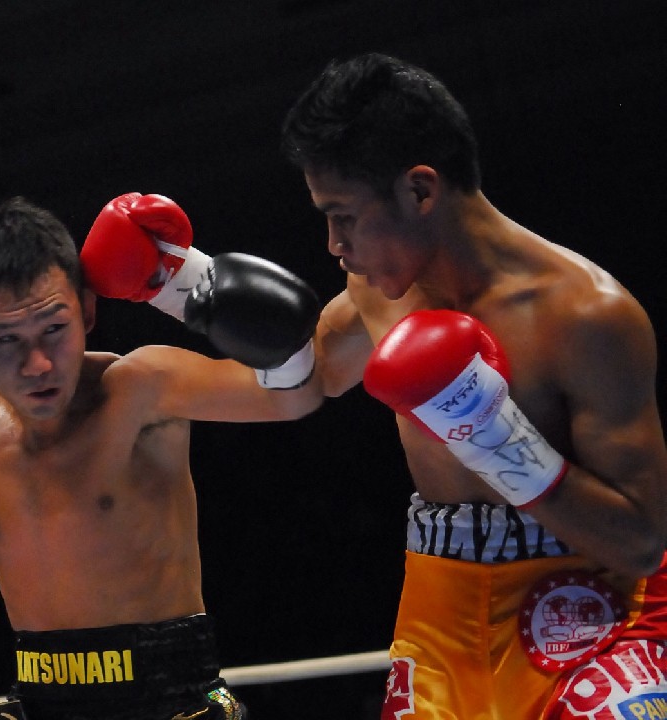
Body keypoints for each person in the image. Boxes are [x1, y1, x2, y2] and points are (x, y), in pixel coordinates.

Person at [279, 53, 667, 719]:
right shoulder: (377, 290)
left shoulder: (585, 316)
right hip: (442, 613)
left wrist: (495, 438)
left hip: (589, 609)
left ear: (419, 191)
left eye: (343, 215)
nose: (333, 243)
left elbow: (641, 541)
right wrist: (187, 288)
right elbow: (302, 382)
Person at [0, 194, 322, 720]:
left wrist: (187, 282)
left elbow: (295, 397)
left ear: (86, 309)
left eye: (53, 329)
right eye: (7, 339)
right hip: (41, 701)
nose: (37, 364)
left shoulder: (142, 388)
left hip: (171, 698)